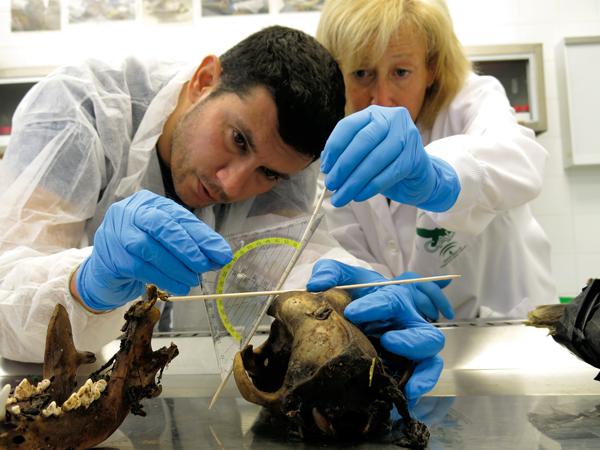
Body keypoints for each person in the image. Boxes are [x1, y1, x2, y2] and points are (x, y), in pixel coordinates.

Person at [0, 25, 444, 408]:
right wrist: (88, 283)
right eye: (237, 140)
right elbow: (6, 301)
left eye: (267, 173)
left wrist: (353, 306)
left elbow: (281, 263)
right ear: (204, 79)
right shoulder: (80, 111)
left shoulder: (282, 164)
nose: (232, 185)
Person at [307, 0, 557, 321]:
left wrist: (442, 177)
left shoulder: (470, 102)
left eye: (401, 72)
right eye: (361, 73)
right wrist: (379, 289)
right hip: (403, 341)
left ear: (431, 69)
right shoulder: (334, 143)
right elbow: (344, 245)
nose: (382, 99)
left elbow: (523, 161)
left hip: (511, 330)